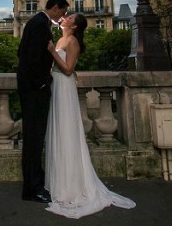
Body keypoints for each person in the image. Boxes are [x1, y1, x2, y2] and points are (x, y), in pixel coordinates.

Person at [45, 13, 136, 218]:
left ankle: (71, 186)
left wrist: (52, 51)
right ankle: (60, 182)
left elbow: (68, 69)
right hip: (57, 85)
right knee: (59, 130)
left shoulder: (72, 41)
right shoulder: (62, 38)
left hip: (64, 84)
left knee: (67, 130)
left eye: (69, 18)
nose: (65, 18)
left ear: (75, 26)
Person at [16, 0, 70, 203]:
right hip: (34, 90)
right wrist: (42, 82)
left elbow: (21, 52)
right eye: (63, 12)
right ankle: (32, 188)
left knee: (33, 138)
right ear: (55, 8)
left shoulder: (35, 22)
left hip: (29, 88)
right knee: (34, 139)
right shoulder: (41, 24)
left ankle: (34, 184)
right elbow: (31, 59)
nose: (63, 17)